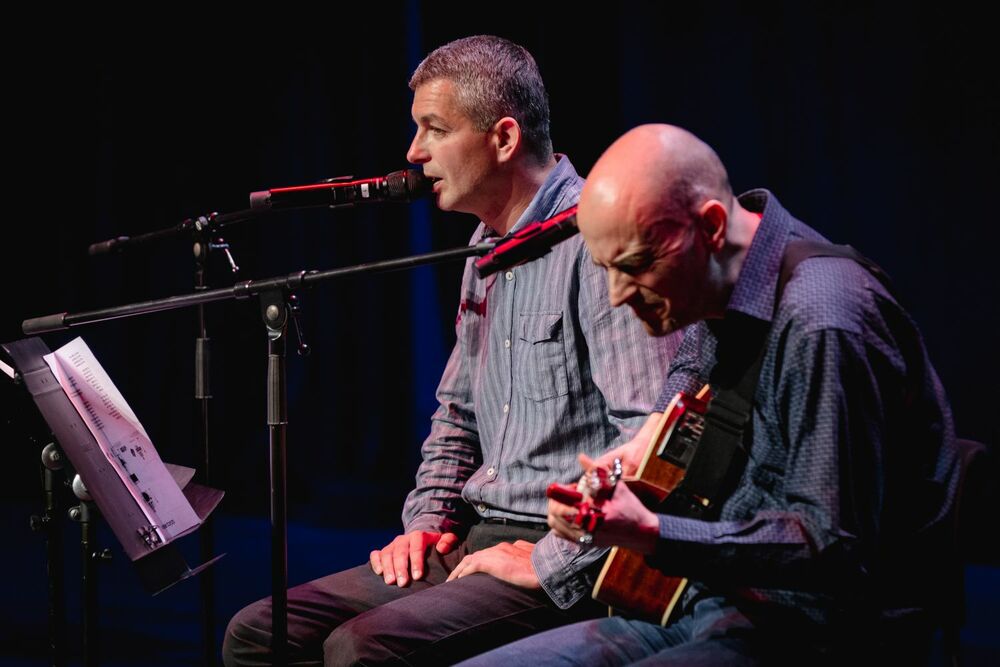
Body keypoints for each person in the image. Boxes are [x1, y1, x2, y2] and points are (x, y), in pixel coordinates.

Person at [222, 38, 680, 666]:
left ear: (503, 138)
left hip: (562, 556)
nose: (413, 153)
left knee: (363, 648)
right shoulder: (482, 250)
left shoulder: (595, 241)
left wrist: (551, 559)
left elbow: (650, 445)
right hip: (473, 537)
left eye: (434, 129)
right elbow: (456, 416)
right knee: (260, 632)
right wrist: (426, 526)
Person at [458, 124, 961, 665]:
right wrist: (647, 442)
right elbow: (692, 372)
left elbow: (828, 545)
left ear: (712, 226)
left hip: (820, 631)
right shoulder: (720, 282)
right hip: (710, 603)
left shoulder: (823, 323)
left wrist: (652, 533)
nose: (619, 295)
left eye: (634, 266)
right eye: (606, 270)